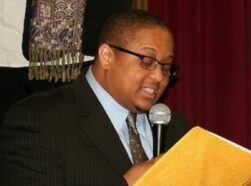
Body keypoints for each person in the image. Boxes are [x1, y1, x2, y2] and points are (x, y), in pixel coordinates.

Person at [0, 10, 191, 185]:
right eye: (147, 62)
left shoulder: (177, 129)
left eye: (166, 68)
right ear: (107, 56)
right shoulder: (40, 121)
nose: (159, 77)